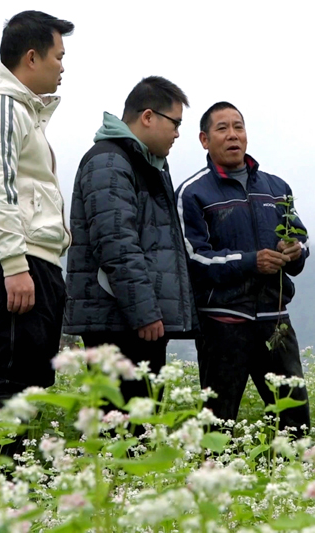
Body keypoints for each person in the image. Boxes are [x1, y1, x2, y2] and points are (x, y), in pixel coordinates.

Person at [0, 11, 74, 409]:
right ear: (32, 57)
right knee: (8, 380)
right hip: (16, 262)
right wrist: (15, 266)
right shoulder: (0, 109)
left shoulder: (20, 111)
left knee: (29, 380)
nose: (63, 67)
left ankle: (13, 470)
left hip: (30, 258)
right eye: (58, 56)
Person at [176, 102, 310, 436]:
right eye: (222, 128)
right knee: (218, 424)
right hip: (221, 323)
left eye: (239, 126)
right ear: (204, 140)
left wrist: (294, 252)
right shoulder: (192, 192)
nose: (233, 135)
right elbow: (194, 258)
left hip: (274, 319)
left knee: (294, 420)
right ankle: (215, 484)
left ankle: (294, 484)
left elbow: (301, 238)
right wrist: (252, 261)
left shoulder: (276, 188)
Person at [63, 77, 197, 408]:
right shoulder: (110, 161)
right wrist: (145, 313)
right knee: (122, 426)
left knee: (139, 426)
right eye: (175, 123)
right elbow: (115, 244)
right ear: (148, 117)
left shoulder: (145, 163)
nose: (178, 133)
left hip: (134, 319)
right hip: (120, 323)